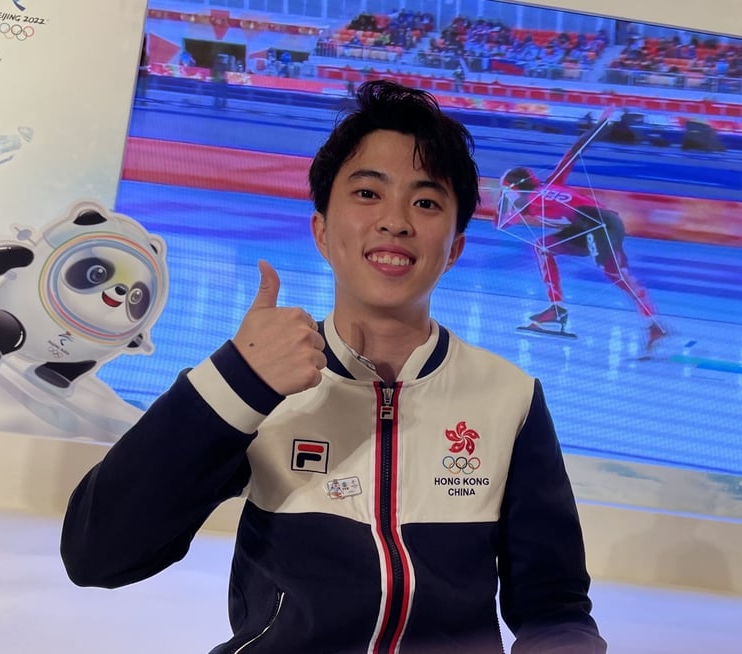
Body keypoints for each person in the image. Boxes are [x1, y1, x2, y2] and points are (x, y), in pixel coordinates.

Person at [60, 80, 606, 654]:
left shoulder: (508, 397)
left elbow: (554, 604)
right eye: (368, 193)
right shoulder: (258, 382)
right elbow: (99, 555)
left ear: (456, 247)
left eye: (426, 202)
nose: (395, 221)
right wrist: (235, 383)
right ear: (321, 229)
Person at [496, 109, 667, 354]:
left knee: (617, 275)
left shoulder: (531, 199)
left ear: (514, 192)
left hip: (599, 226)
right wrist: (599, 125)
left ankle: (653, 323)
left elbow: (500, 222)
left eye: (508, 195)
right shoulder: (550, 182)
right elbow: (575, 150)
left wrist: (600, 126)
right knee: (542, 247)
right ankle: (556, 308)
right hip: (591, 226)